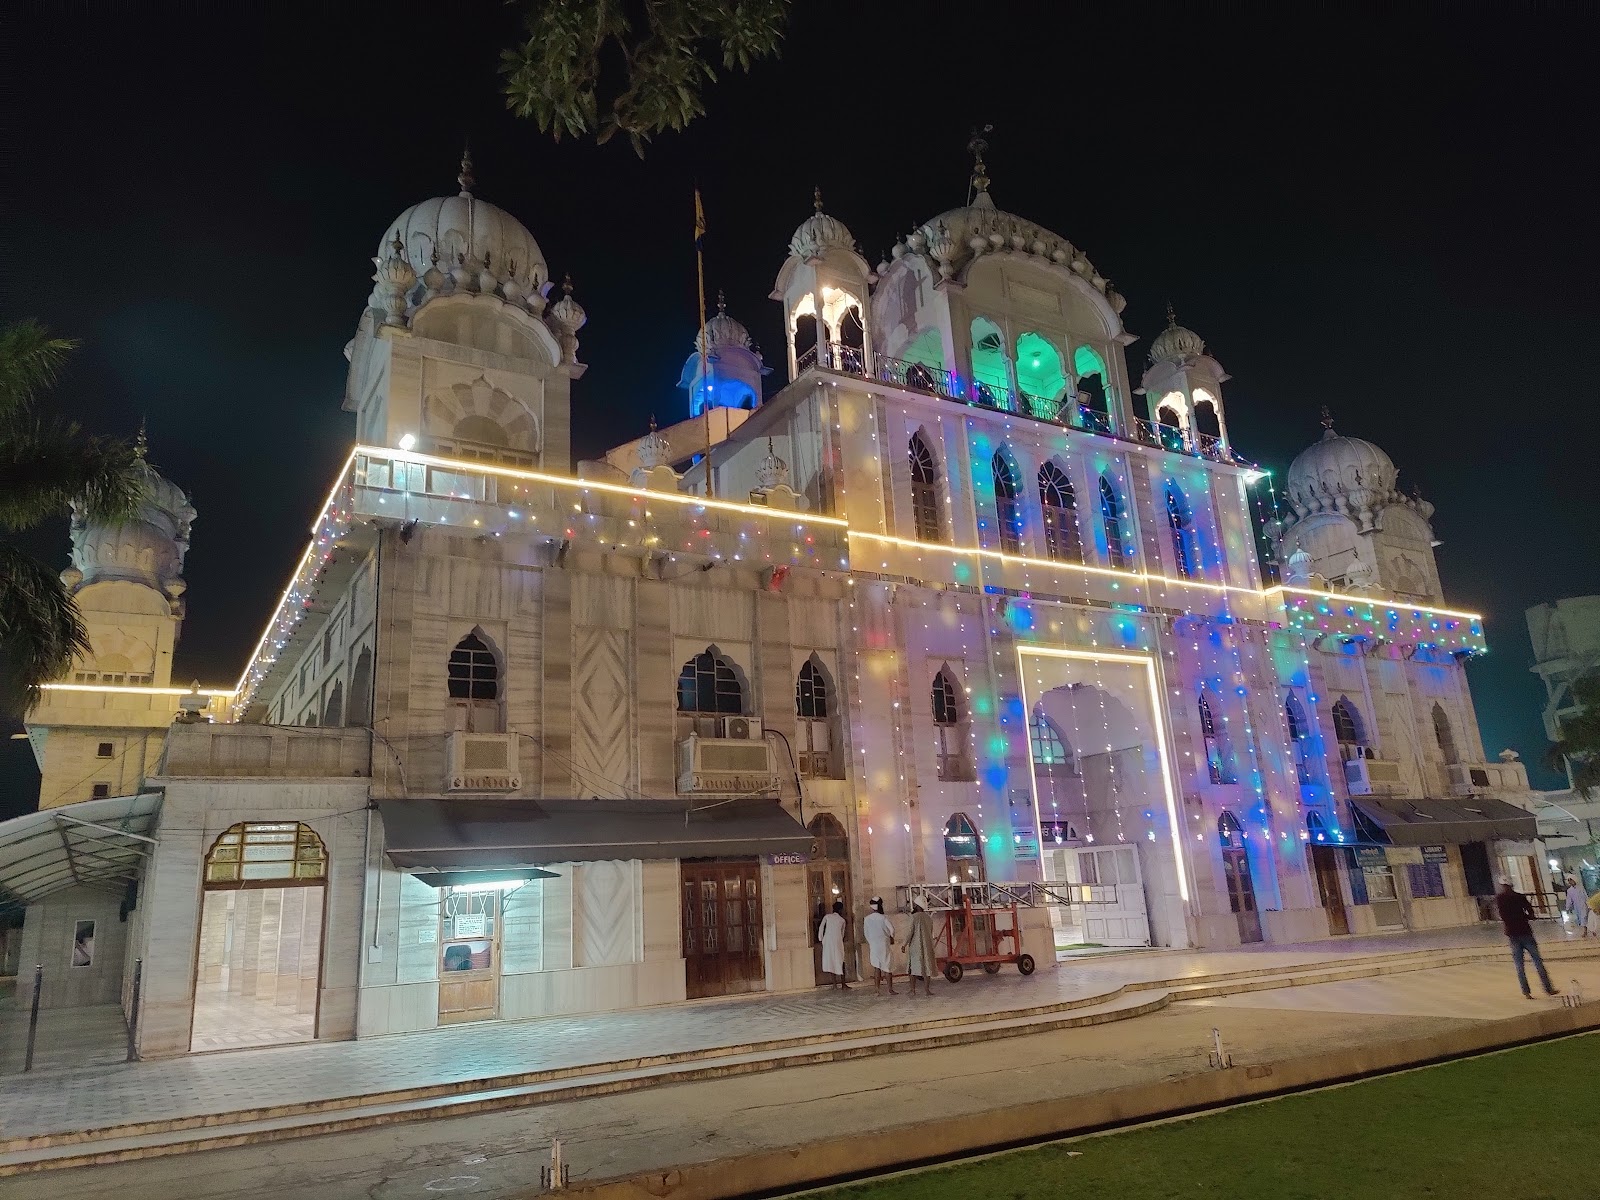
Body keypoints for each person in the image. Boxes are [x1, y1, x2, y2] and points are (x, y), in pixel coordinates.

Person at [1494, 877, 1559, 998]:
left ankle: (1526, 992)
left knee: (1519, 965)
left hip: (1512, 934)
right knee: (1538, 962)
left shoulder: (1500, 899)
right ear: (1511, 885)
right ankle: (1548, 988)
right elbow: (1530, 912)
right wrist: (1525, 917)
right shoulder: (1519, 897)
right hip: (1525, 932)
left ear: (1502, 885)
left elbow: (1502, 915)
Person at [863, 897, 897, 995]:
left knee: (876, 967)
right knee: (887, 966)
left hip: (874, 945)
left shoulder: (867, 919)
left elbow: (866, 933)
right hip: (884, 944)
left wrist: (871, 942)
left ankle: (877, 990)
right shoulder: (883, 918)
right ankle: (890, 989)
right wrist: (891, 937)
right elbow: (892, 929)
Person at [905, 901, 936, 996]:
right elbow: (931, 931)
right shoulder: (928, 918)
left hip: (915, 946)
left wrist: (904, 944)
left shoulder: (913, 917)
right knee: (927, 968)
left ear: (917, 906)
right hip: (927, 945)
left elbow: (910, 932)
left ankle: (912, 989)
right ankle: (927, 990)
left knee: (912, 968)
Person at [818, 899, 849, 989]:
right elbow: (842, 933)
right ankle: (843, 983)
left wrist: (821, 939)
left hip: (828, 941)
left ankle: (834, 984)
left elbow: (821, 928)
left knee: (831, 960)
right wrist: (840, 939)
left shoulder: (827, 917)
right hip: (838, 941)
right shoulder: (842, 920)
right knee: (840, 960)